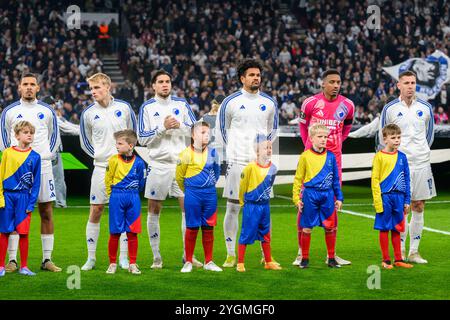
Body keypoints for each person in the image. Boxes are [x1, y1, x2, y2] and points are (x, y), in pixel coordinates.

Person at [216, 58, 278, 268]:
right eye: (251, 75)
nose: (256, 78)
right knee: (233, 208)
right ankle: (231, 254)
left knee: (263, 209)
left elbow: (272, 131)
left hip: (261, 166)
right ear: (242, 78)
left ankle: (265, 255)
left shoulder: (269, 103)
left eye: (258, 75)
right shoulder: (230, 102)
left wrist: (262, 155)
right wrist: (234, 152)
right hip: (238, 162)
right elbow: (221, 131)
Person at [0, 73, 62, 273]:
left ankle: (47, 259)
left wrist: (45, 155)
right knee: (14, 214)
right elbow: (2, 139)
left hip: (42, 166)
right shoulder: (9, 112)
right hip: (15, 169)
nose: (28, 87)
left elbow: (54, 138)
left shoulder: (47, 111)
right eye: (25, 84)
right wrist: (14, 159)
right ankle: (12, 261)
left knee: (46, 211)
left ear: (38, 88)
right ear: (19, 87)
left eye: (32, 84)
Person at [138, 69, 198, 269]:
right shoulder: (147, 108)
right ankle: (156, 258)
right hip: (158, 165)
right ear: (153, 86)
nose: (165, 85)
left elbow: (196, 131)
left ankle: (187, 256)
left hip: (181, 165)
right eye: (161, 82)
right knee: (154, 209)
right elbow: (142, 139)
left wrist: (178, 125)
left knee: (187, 209)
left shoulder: (181, 104)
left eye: (168, 81)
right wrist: (163, 127)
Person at [295, 69, 354, 267]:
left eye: (338, 82)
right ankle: (300, 253)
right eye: (332, 82)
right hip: (312, 159)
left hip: (334, 160)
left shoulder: (347, 105)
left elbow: (347, 127)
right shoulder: (311, 103)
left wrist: (338, 144)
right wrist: (308, 145)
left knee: (334, 203)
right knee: (303, 205)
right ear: (323, 84)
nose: (336, 85)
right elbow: (303, 126)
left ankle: (332, 254)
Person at [79, 73, 137, 271]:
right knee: (96, 210)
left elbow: (132, 134)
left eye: (96, 88)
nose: (93, 92)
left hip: (124, 168)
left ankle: (122, 258)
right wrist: (101, 155)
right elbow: (85, 141)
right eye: (91, 89)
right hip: (101, 167)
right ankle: (91, 258)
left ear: (107, 87)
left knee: (122, 213)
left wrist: (124, 157)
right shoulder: (88, 113)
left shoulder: (124, 108)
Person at [378, 70, 436, 264]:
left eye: (413, 83)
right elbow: (382, 136)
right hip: (399, 164)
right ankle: (400, 250)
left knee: (418, 205)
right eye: (407, 83)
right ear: (398, 85)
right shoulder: (390, 108)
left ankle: (414, 251)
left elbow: (429, 136)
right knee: (401, 208)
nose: (410, 86)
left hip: (421, 163)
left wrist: (420, 152)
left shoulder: (426, 107)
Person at [292, 124, 343, 269]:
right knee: (307, 228)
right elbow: (298, 179)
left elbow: (335, 180)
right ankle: (305, 260)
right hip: (310, 195)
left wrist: (339, 198)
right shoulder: (305, 156)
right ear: (311, 138)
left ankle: (331, 258)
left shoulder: (331, 157)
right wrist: (297, 199)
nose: (323, 140)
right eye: (320, 137)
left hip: (327, 195)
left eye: (325, 137)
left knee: (330, 228)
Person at [175, 121, 222, 273]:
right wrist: (190, 191)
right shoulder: (185, 154)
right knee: (192, 227)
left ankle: (209, 261)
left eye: (208, 132)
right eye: (202, 132)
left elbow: (217, 172)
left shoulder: (214, 153)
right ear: (193, 135)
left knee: (209, 227)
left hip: (209, 195)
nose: (206, 135)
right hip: (192, 195)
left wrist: (207, 187)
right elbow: (179, 177)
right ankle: (188, 261)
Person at [0, 121, 41, 276]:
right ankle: (1, 266)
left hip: (24, 197)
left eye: (31, 132)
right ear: (17, 135)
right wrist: (0, 198)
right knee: (4, 231)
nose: (29, 134)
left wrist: (31, 202)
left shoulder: (35, 157)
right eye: (25, 132)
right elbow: (0, 176)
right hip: (7, 196)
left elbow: (36, 184)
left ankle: (24, 266)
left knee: (23, 233)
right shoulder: (7, 153)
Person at [236, 134, 281, 272]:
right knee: (246, 233)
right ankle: (240, 263)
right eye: (264, 148)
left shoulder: (273, 168)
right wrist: (242, 201)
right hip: (251, 206)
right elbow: (242, 186)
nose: (268, 150)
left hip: (264, 206)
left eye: (270, 147)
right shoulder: (250, 167)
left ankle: (268, 261)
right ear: (257, 151)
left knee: (265, 233)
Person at [372, 124, 413, 269]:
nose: (397, 140)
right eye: (393, 137)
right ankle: (386, 260)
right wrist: (378, 202)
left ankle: (398, 259)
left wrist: (407, 200)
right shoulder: (379, 157)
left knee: (397, 228)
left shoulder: (402, 157)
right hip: (385, 198)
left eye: (398, 137)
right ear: (385, 139)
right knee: (384, 228)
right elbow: (375, 180)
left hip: (399, 199)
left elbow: (407, 179)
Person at [105, 130, 146, 275]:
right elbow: (108, 180)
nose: (116, 146)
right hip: (117, 196)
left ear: (130, 146)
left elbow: (141, 182)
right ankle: (112, 263)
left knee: (132, 232)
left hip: (133, 197)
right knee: (115, 232)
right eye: (116, 143)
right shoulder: (113, 160)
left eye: (120, 143)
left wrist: (133, 192)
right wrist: (112, 197)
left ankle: (133, 263)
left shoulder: (140, 163)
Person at [42, 96, 80, 208]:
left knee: (42, 178)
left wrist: (81, 128)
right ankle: (60, 203)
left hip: (42, 151)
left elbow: (68, 125)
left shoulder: (44, 116)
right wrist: (84, 130)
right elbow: (69, 129)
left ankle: (36, 202)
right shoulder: (51, 116)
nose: (55, 106)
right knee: (58, 179)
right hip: (52, 152)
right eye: (53, 103)